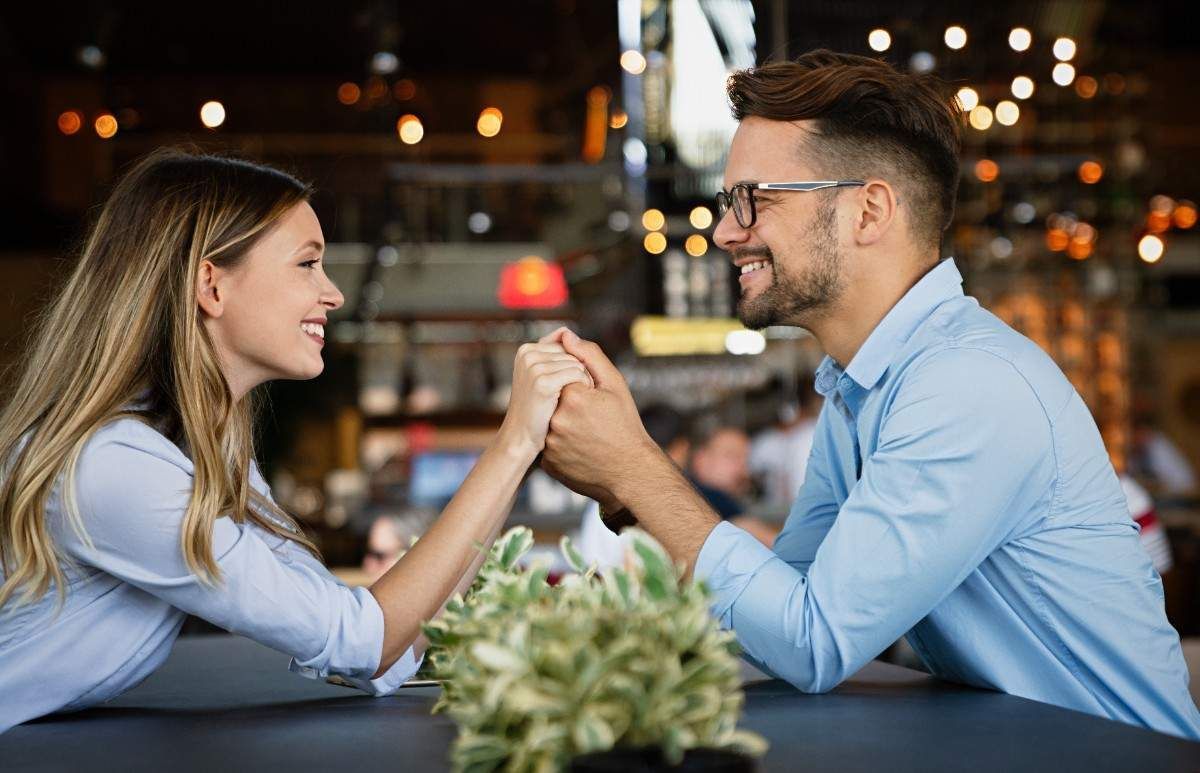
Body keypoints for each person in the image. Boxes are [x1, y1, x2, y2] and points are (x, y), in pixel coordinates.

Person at [539, 50, 1200, 738]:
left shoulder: (965, 384)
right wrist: (623, 495)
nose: (725, 230)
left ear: (869, 209)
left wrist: (636, 468)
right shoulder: (863, 392)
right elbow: (774, 614)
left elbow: (813, 640)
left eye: (752, 198)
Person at [0, 149, 591, 733]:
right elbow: (365, 640)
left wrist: (521, 446)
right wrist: (515, 443)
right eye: (307, 264)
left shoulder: (199, 454)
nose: (332, 294)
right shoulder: (116, 468)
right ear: (210, 284)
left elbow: (376, 649)